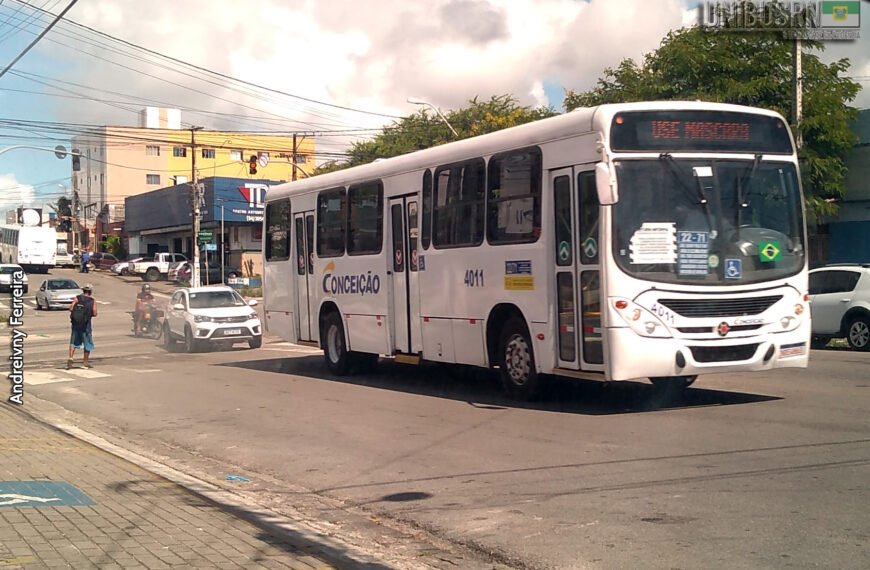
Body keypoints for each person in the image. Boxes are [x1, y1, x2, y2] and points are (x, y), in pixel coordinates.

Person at [68, 283, 97, 369]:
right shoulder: (92, 301)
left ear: (83, 290)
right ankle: (85, 362)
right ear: (90, 291)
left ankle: (71, 357)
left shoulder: (77, 298)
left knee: (73, 342)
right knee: (87, 343)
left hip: (76, 324)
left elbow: (70, 308)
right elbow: (95, 313)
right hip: (86, 325)